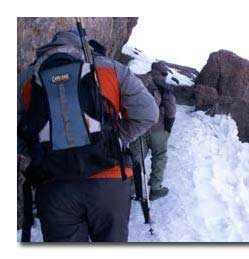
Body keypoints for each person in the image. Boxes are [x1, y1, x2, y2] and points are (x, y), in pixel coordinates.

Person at [17, 30, 159, 242]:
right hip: (109, 180)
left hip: (53, 186)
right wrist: (113, 138)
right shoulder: (109, 68)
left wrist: (37, 150)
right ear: (85, 45)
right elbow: (148, 113)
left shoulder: (27, 78)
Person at [130, 70, 176, 201]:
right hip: (158, 129)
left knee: (136, 159)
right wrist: (168, 128)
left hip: (140, 128)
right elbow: (171, 111)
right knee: (159, 157)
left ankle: (129, 187)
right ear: (163, 74)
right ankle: (155, 189)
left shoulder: (140, 82)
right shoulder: (164, 88)